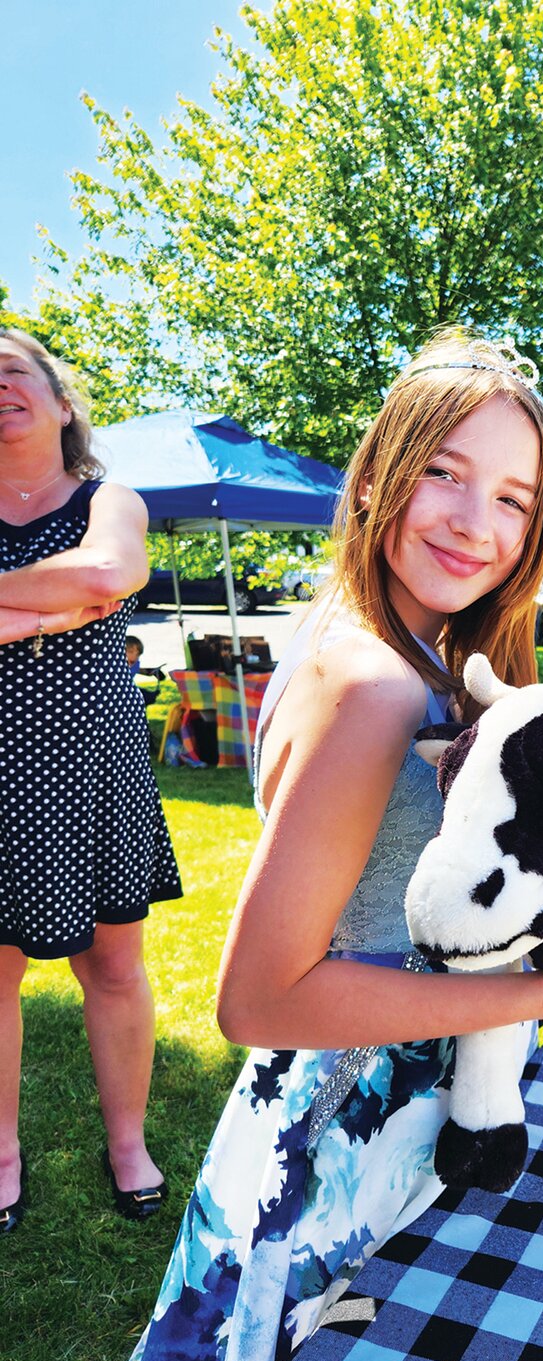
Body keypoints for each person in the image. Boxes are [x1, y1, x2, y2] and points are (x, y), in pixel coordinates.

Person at [86, 329, 543, 1361]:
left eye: (515, 497)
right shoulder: (378, 684)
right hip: (340, 1139)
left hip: (360, 1119)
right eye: (446, 473)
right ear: (378, 471)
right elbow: (258, 997)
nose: (479, 521)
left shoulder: (404, 646)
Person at [0, 330, 182, 1236]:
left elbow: (112, 571)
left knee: (112, 965)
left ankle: (127, 1145)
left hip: (89, 770)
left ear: (61, 401)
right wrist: (51, 610)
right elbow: (84, 589)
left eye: (13, 371)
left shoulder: (111, 497)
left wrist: (8, 605)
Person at [124, 633, 166, 705]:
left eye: (138, 655)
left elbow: (137, 670)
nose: (134, 656)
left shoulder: (135, 664)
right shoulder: (117, 666)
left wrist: (152, 672)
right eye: (130, 652)